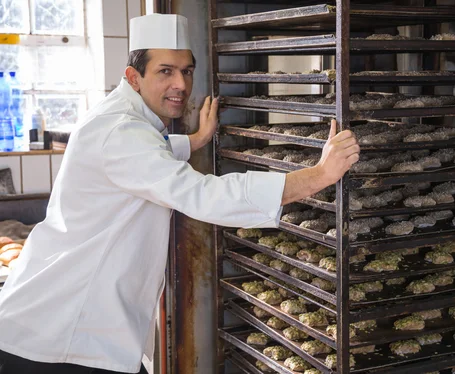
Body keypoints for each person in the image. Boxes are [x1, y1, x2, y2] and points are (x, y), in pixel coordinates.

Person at [0, 13, 359, 374]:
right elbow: (202, 194)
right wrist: (319, 175)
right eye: (165, 71)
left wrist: (197, 140)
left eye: (186, 71)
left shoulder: (118, 119)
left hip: (56, 323)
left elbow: (148, 154)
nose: (181, 84)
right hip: (60, 337)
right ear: (133, 77)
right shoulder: (122, 132)